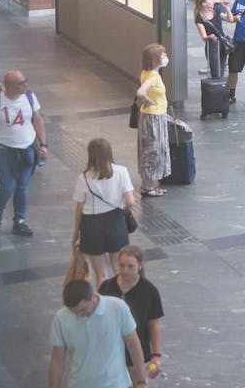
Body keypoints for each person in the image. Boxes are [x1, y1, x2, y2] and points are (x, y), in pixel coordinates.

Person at [0, 69, 45, 237]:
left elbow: (38, 119)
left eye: (25, 81)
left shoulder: (29, 97)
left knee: (22, 186)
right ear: (9, 86)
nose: (25, 85)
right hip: (3, 149)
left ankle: (19, 222)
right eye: (20, 83)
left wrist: (44, 144)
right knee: (7, 185)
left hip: (27, 148)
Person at [49, 279, 148, 388]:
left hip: (116, 384)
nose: (78, 315)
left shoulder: (117, 307)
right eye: (74, 312)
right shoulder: (61, 318)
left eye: (83, 310)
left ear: (92, 297)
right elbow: (57, 360)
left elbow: (133, 344)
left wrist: (141, 381)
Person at [73, 137, 138, 286]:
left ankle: (104, 304)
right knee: (118, 270)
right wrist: (123, 211)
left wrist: (76, 233)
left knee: (101, 275)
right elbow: (130, 202)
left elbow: (79, 209)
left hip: (91, 226)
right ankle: (120, 303)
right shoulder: (121, 172)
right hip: (116, 222)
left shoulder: (83, 178)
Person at [99, 246, 165, 380]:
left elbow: (153, 325)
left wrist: (156, 355)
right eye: (121, 266)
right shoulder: (106, 287)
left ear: (140, 266)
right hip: (111, 351)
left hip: (137, 352)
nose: (125, 271)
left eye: (130, 266)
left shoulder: (149, 291)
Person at [133, 44, 173, 198]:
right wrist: (148, 100)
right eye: (162, 56)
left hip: (152, 116)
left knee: (149, 149)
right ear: (156, 59)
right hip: (153, 118)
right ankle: (148, 186)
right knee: (153, 150)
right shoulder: (153, 76)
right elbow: (140, 92)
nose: (165, 58)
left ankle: (149, 183)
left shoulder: (147, 72)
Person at [194, 0, 230, 79]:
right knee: (215, 73)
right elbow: (203, 37)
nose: (212, 0)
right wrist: (210, 36)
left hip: (222, 44)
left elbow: (230, 19)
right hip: (212, 46)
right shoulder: (200, 18)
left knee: (221, 71)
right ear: (204, 3)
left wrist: (227, 8)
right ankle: (216, 90)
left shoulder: (216, 11)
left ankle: (221, 90)